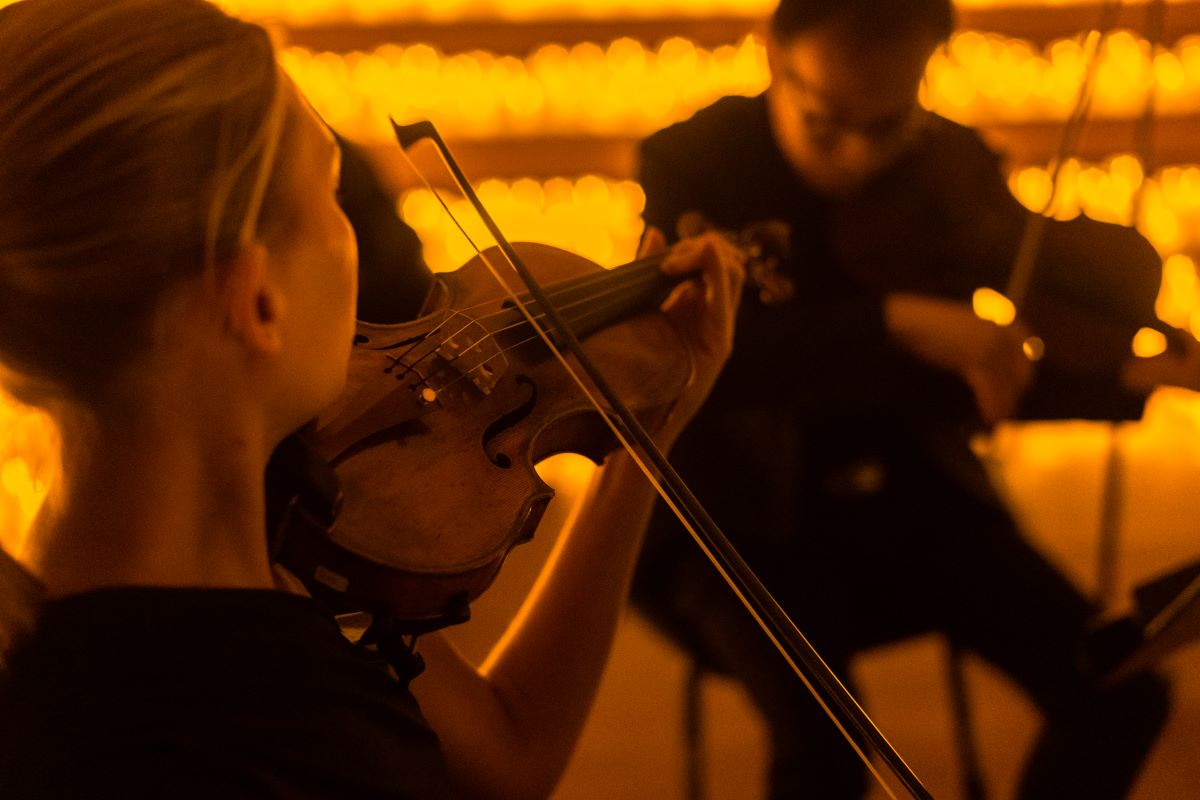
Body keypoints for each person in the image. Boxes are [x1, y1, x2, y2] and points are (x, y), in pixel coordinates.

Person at [0, 1, 746, 797]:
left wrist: (644, 437)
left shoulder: (274, 546)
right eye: (332, 193)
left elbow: (510, 751)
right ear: (259, 303)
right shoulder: (265, 727)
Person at [630, 0, 1177, 797]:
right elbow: (705, 364)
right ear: (775, 63)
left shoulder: (951, 166)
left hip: (914, 498)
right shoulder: (694, 162)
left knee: (1122, 688)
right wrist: (895, 320)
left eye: (890, 125)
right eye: (826, 122)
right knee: (826, 749)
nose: (857, 155)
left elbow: (962, 381)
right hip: (738, 522)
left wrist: (1118, 379)